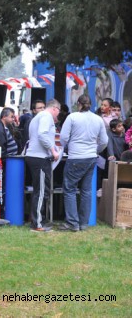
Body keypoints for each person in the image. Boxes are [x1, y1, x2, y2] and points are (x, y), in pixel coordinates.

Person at [59, 94, 108, 232]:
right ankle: (83, 223)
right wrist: (96, 150)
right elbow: (104, 141)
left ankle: (72, 222)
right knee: (86, 191)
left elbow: (63, 137)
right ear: (91, 105)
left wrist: (67, 146)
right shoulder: (98, 119)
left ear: (78, 104)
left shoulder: (72, 117)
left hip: (75, 156)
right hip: (91, 157)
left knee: (69, 190)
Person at [25, 99, 61, 232]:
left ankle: (38, 220)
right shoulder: (46, 116)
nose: (57, 115)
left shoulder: (38, 117)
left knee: (39, 191)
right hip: (40, 158)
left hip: (35, 156)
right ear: (55, 109)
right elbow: (42, 134)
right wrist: (53, 150)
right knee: (40, 192)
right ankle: (37, 224)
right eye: (58, 112)